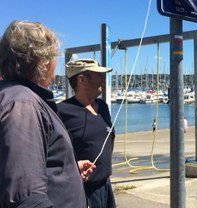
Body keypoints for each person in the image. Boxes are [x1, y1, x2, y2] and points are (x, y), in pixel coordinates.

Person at [0, 20, 91, 207]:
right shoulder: (22, 104)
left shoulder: (17, 96)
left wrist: (67, 169)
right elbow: (26, 198)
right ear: (43, 60)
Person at [57, 58, 116, 208]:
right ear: (82, 80)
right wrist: (73, 168)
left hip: (105, 186)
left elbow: (109, 137)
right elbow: (51, 153)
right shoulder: (61, 111)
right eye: (98, 75)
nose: (103, 79)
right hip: (81, 191)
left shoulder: (102, 106)